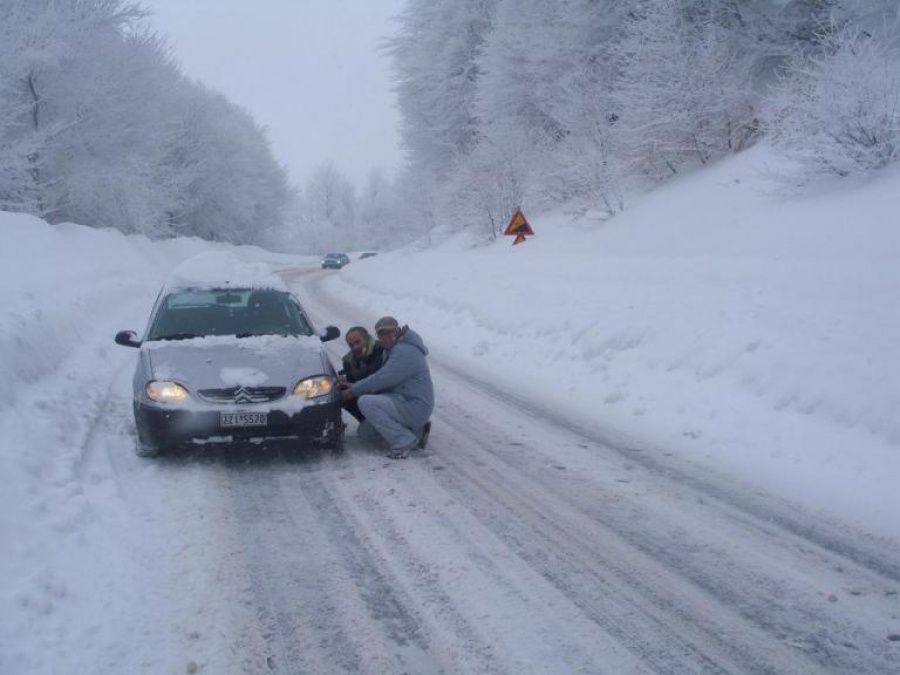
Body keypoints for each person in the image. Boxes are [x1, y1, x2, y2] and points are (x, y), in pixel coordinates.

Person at [340, 316, 433, 459]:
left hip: (414, 404)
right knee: (365, 432)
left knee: (366, 402)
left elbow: (381, 379)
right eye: (381, 334)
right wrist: (353, 385)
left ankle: (403, 440)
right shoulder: (392, 349)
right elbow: (382, 380)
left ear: (396, 331)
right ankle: (417, 432)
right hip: (402, 400)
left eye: (388, 332)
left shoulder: (405, 351)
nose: (384, 337)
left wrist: (352, 391)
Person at [338, 326, 384, 422]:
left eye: (357, 342)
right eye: (351, 345)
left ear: (367, 338)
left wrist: (351, 384)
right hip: (365, 397)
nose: (355, 347)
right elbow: (352, 381)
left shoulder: (382, 350)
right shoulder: (349, 361)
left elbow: (377, 378)